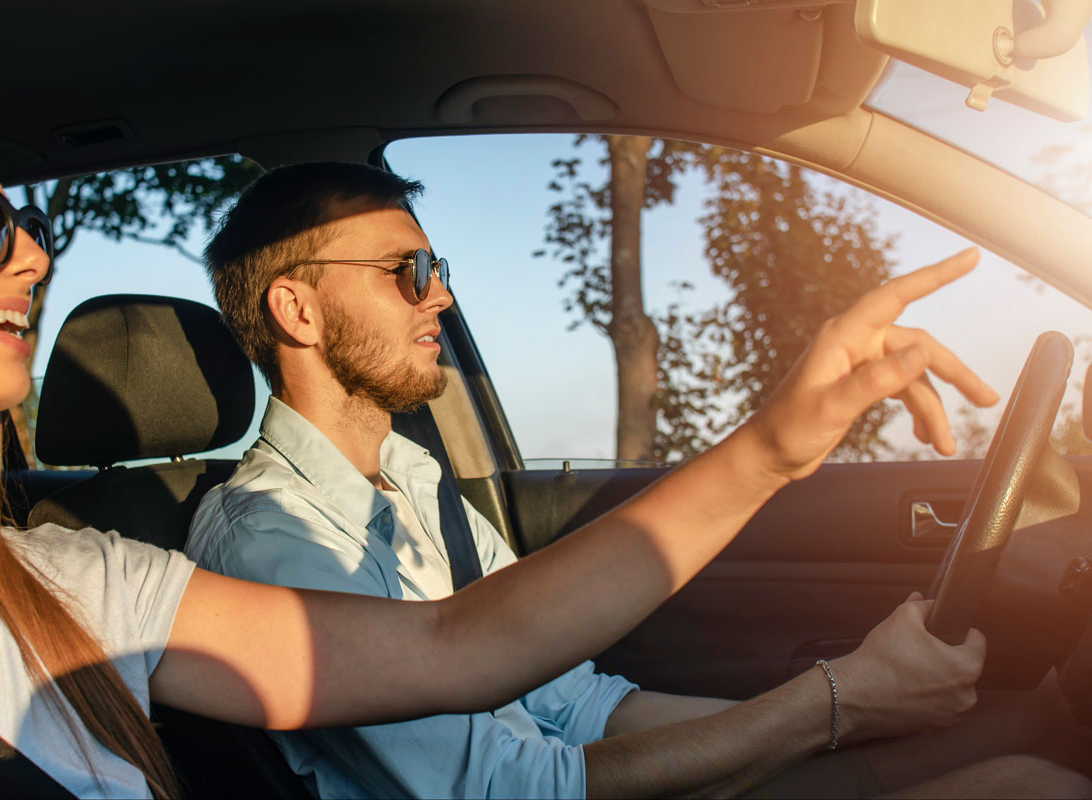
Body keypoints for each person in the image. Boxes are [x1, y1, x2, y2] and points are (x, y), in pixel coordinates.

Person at [187, 162, 1092, 798]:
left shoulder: (411, 476)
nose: (442, 296)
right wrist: (829, 707)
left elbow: (573, 702)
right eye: (408, 272)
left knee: (1038, 761)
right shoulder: (272, 542)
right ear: (296, 309)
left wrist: (824, 716)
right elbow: (506, 791)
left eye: (440, 270)